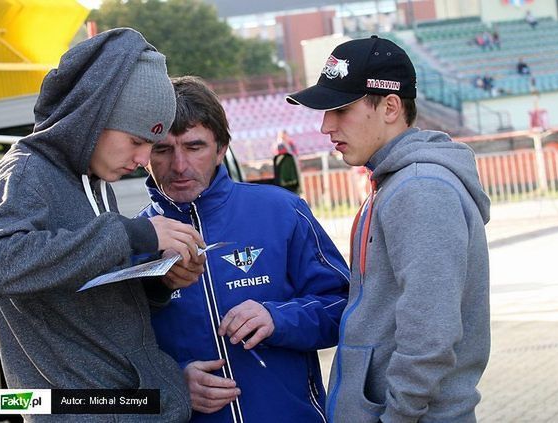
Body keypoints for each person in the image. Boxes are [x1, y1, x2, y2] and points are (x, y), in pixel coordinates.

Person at [0, 28, 206, 421]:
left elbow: (81, 289)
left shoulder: (92, 180)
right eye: (136, 140)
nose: (142, 158)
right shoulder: (26, 172)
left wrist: (159, 281)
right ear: (93, 117)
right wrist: (134, 233)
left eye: (152, 145)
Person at [286, 35, 491, 422]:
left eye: (340, 109)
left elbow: (430, 334)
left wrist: (398, 416)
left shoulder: (420, 189)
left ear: (391, 107)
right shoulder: (398, 183)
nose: (326, 125)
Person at [138, 76, 350, 422]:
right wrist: (171, 386)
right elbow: (113, 365)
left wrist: (277, 318)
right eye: (162, 149)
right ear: (145, 153)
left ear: (221, 148)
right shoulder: (134, 243)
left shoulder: (282, 211)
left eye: (194, 147)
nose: (179, 165)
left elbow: (344, 308)